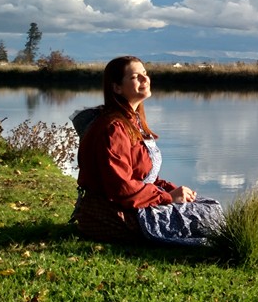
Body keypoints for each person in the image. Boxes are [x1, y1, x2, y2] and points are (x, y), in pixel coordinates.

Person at [72, 55, 222, 245]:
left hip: (130, 203)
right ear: (117, 87)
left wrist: (171, 190)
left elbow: (142, 176)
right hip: (112, 213)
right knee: (207, 218)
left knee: (209, 206)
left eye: (145, 73)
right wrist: (167, 197)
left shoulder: (131, 121)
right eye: (136, 77)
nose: (145, 79)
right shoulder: (112, 128)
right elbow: (121, 188)